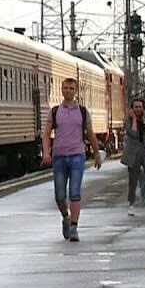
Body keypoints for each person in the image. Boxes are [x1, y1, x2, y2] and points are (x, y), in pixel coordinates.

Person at [42, 77, 102, 242]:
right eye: (65, 88)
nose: (68, 90)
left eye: (71, 88)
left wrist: (97, 154)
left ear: (75, 91)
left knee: (74, 192)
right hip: (59, 157)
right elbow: (46, 134)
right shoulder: (55, 112)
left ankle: (74, 228)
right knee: (60, 196)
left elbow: (90, 133)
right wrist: (46, 153)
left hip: (77, 155)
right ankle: (66, 217)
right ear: (61, 90)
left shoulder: (82, 112)